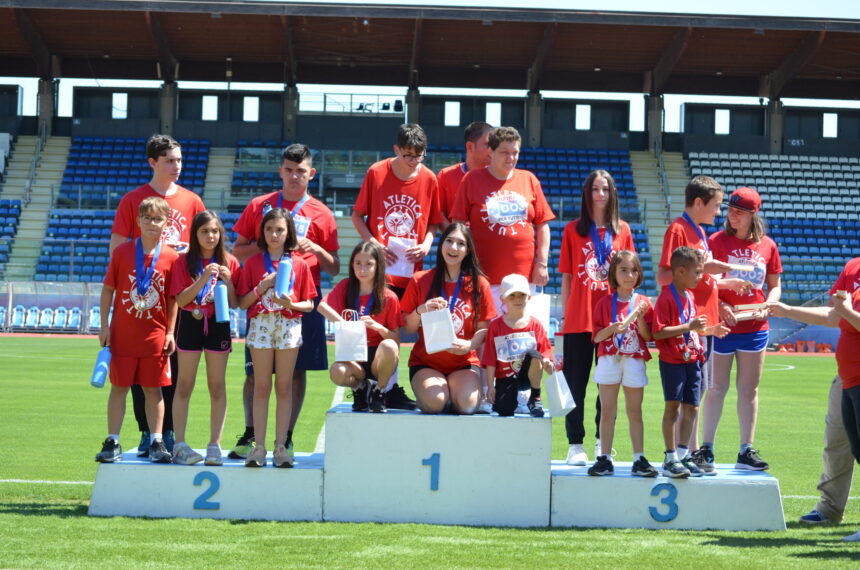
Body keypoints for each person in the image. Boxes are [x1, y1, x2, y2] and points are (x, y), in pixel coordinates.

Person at [228, 143, 339, 458]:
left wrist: (314, 249)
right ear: (281, 171)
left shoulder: (322, 213)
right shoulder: (260, 205)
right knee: (255, 375)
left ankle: (285, 437)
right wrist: (273, 247)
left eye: (300, 171)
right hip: (262, 306)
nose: (294, 176)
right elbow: (238, 250)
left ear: (311, 173)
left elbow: (334, 267)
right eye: (289, 170)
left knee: (296, 374)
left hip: (302, 301)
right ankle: (252, 434)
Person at [109, 134, 206, 458]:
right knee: (138, 372)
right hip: (143, 302)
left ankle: (170, 434)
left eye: (179, 159)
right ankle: (146, 433)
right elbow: (118, 248)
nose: (177, 166)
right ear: (153, 162)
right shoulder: (133, 200)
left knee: (174, 367)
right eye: (169, 160)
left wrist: (185, 251)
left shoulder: (192, 201)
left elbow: (204, 246)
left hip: (181, 298)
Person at [657, 175, 748, 465]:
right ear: (698, 202)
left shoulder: (697, 231)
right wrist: (711, 268)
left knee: (697, 391)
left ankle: (690, 452)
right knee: (686, 394)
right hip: (691, 326)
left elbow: (697, 277)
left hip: (704, 324)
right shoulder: (679, 229)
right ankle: (684, 453)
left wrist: (722, 284)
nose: (719, 212)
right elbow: (666, 276)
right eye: (716, 205)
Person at [352, 123, 442, 410]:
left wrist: (427, 244)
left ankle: (389, 387)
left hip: (413, 273)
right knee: (382, 332)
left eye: (419, 155)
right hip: (382, 272)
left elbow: (435, 223)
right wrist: (374, 244)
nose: (414, 161)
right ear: (396, 150)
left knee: (407, 332)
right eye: (408, 155)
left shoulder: (429, 178)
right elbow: (357, 216)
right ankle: (381, 388)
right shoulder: (377, 172)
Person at [769, 256, 860, 527]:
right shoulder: (853, 267)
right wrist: (787, 311)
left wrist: (845, 311)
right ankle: (829, 508)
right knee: (837, 439)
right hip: (847, 374)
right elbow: (834, 315)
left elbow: (843, 313)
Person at [699, 187, 782, 472]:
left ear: (752, 215)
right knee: (716, 388)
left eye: (739, 212)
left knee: (749, 389)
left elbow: (775, 285)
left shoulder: (768, 246)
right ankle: (706, 449)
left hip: (755, 326)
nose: (731, 216)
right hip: (722, 325)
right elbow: (704, 282)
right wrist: (719, 305)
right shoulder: (715, 241)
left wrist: (769, 305)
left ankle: (746, 450)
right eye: (730, 210)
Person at [559, 169, 636, 466]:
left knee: (608, 384)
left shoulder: (623, 231)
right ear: (587, 194)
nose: (600, 195)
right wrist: (565, 318)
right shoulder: (572, 231)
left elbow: (629, 277)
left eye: (605, 189)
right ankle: (575, 444)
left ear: (612, 193)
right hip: (579, 320)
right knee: (575, 384)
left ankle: (603, 443)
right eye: (595, 189)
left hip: (613, 322)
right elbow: (566, 278)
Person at [95, 197, 179, 464]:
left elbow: (172, 299)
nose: (152, 223)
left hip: (155, 337)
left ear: (166, 223)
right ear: (138, 221)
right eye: (147, 218)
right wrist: (104, 326)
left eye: (158, 219)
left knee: (153, 390)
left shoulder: (171, 257)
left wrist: (169, 332)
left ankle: (157, 441)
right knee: (119, 387)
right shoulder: (122, 252)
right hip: (122, 335)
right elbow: (108, 290)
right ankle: (113, 440)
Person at [237, 208, 317, 468]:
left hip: (289, 325)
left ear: (289, 232)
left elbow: (309, 305)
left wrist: (291, 302)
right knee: (261, 387)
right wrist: (263, 286)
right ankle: (258, 448)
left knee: (284, 387)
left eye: (280, 229)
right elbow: (241, 303)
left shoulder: (300, 264)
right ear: (262, 231)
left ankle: (280, 447)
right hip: (260, 325)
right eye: (269, 229)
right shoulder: (252, 263)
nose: (274, 234)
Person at [450, 126, 555, 314]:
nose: (511, 158)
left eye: (515, 153)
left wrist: (542, 263)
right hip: (483, 277)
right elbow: (457, 225)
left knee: (521, 335)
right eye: (505, 152)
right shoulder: (472, 179)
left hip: (525, 279)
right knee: (486, 336)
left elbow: (543, 225)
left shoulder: (529, 179)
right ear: (491, 152)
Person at [169, 210, 240, 465]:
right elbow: (181, 299)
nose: (210, 236)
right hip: (189, 322)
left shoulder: (229, 261)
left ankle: (214, 445)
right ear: (195, 234)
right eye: (204, 231)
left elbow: (235, 302)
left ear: (221, 233)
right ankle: (180, 444)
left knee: (217, 386)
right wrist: (203, 279)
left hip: (219, 323)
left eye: (214, 231)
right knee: (185, 384)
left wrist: (229, 281)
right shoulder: (183, 262)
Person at [401, 222, 496, 414]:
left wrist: (469, 345)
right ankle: (438, 398)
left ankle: (452, 396)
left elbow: (484, 330)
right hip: (426, 363)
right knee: (436, 402)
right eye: (449, 241)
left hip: (464, 363)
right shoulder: (420, 280)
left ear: (468, 250)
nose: (453, 248)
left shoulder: (479, 284)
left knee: (468, 405)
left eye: (460, 244)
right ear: (441, 244)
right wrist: (421, 310)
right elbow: (408, 328)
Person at [653, 246, 729, 478]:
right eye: (697, 272)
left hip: (693, 359)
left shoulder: (689, 296)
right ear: (681, 271)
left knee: (693, 407)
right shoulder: (666, 297)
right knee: (673, 408)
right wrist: (689, 327)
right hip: (673, 361)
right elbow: (659, 332)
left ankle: (684, 454)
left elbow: (694, 328)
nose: (701, 276)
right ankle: (670, 457)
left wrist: (710, 330)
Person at [588, 250, 658, 477]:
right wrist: (611, 329)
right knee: (607, 411)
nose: (629, 275)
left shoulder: (644, 303)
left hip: (635, 360)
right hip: (609, 359)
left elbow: (648, 337)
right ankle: (604, 458)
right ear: (614, 274)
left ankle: (639, 458)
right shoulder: (604, 302)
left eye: (634, 270)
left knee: (634, 411)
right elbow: (596, 337)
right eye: (624, 270)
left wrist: (639, 318)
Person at [318, 241, 402, 413]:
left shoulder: (389, 297)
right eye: (358, 263)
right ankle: (360, 388)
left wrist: (378, 327)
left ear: (378, 266)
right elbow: (321, 307)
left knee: (389, 346)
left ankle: (379, 391)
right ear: (352, 265)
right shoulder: (346, 287)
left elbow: (395, 339)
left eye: (368, 264)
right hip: (353, 354)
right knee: (336, 371)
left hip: (377, 357)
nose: (362, 269)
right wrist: (344, 323)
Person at [482, 273, 553, 417]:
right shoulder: (495, 326)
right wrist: (490, 386)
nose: (517, 299)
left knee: (534, 355)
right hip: (505, 378)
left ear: (529, 297)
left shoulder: (535, 324)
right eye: (512, 296)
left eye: (522, 295)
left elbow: (544, 352)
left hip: (527, 377)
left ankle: (535, 398)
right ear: (503, 299)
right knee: (504, 411)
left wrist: (547, 362)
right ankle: (512, 399)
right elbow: (490, 360)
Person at [437, 122, 492, 228]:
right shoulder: (446, 176)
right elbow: (439, 213)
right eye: (488, 145)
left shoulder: (497, 176)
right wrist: (456, 237)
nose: (493, 149)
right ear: (470, 146)